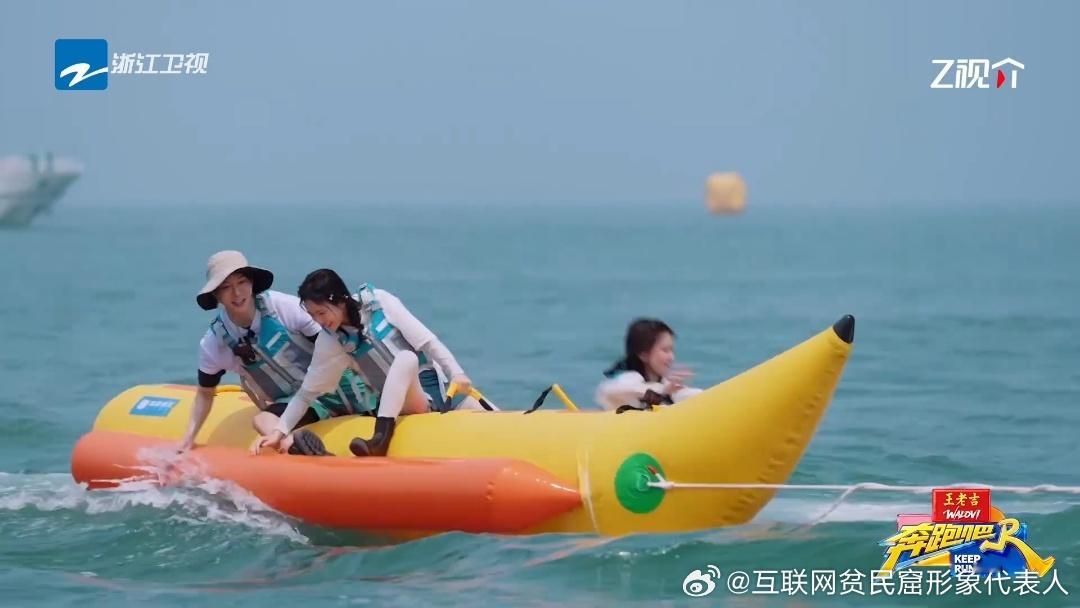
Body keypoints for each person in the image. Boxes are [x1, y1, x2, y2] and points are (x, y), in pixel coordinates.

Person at [253, 268, 488, 457]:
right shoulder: (331, 340)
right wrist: (278, 432)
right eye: (313, 316)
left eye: (321, 313)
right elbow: (307, 393)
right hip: (406, 406)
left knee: (492, 416)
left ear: (340, 301)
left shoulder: (380, 303)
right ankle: (379, 439)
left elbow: (428, 342)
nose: (319, 321)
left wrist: (457, 373)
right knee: (406, 359)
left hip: (435, 392)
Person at [181, 251, 376, 455]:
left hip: (342, 388)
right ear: (216, 295)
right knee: (262, 420)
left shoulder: (283, 307)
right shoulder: (215, 342)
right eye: (226, 287)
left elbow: (338, 344)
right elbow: (205, 393)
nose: (237, 293)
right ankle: (296, 447)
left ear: (252, 283)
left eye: (242, 282)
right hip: (301, 403)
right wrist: (188, 439)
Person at [595, 318, 702, 411]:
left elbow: (683, 394)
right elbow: (608, 390)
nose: (671, 357)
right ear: (644, 354)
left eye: (671, 350)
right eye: (665, 350)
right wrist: (662, 390)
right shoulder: (629, 378)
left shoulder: (664, 383)